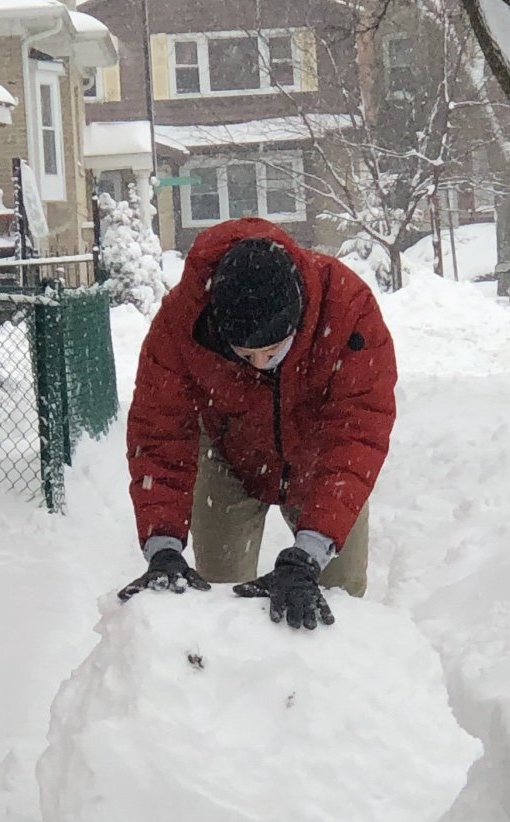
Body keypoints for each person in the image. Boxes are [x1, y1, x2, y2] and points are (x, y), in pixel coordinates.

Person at [116, 218, 396, 631]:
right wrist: (163, 547)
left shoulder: (348, 308)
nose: (261, 364)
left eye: (272, 351)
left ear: (299, 321)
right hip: (229, 455)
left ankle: (328, 691)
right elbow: (159, 435)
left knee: (338, 601)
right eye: (246, 355)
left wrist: (310, 551)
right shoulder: (181, 323)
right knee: (222, 599)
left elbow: (357, 432)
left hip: (321, 462)